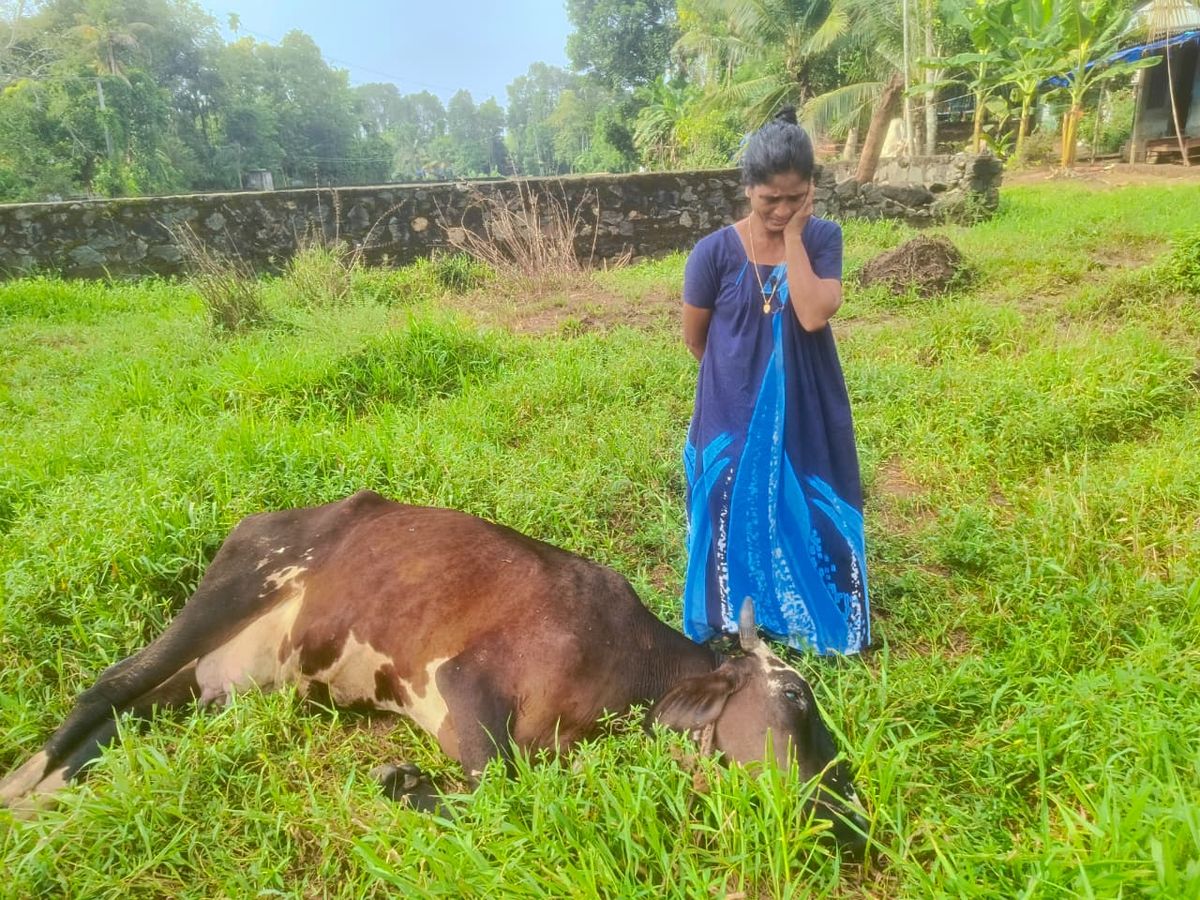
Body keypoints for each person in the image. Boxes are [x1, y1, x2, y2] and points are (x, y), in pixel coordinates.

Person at [680, 108, 869, 656]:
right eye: (770, 202)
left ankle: (812, 615)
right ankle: (731, 613)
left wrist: (793, 238)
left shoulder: (825, 238)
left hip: (810, 400)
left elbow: (812, 313)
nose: (783, 210)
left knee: (808, 500)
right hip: (730, 398)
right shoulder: (712, 253)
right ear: (748, 190)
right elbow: (696, 338)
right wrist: (735, 381)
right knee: (727, 501)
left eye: (796, 198)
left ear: (811, 190)